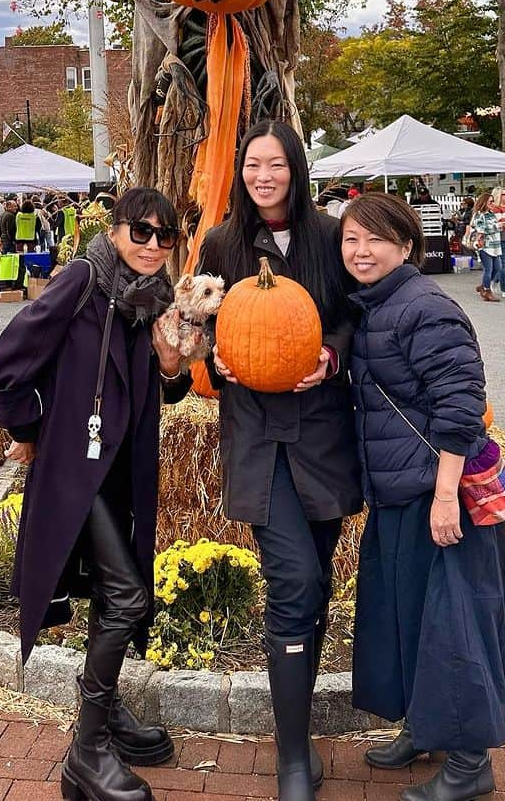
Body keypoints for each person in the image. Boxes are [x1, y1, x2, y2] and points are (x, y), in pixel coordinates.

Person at [340, 193, 505, 800]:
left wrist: (447, 496)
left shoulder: (424, 306)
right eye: (351, 238)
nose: (361, 250)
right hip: (400, 491)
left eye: (375, 239)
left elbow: (461, 406)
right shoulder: (375, 307)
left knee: (452, 626)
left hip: (437, 495)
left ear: (405, 246)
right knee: (406, 617)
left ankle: (469, 762)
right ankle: (424, 728)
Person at [0, 188, 189, 801]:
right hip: (79, 469)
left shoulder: (151, 298)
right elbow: (9, 366)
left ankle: (105, 716)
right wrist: (36, 431)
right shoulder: (84, 281)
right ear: (116, 228)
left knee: (113, 592)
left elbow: (167, 391)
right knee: (129, 599)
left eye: (165, 236)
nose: (153, 245)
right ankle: (87, 751)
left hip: (123, 469)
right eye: (141, 231)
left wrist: (170, 363)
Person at [201, 121, 361, 801]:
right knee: (292, 582)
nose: (262, 176)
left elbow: (357, 314)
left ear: (295, 169)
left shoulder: (330, 238)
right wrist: (211, 355)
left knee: (316, 579)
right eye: (252, 165)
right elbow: (208, 323)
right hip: (260, 437)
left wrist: (330, 355)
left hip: (323, 434)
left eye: (275, 165)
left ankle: (301, 740)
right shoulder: (223, 242)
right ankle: (293, 757)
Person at [464, 191, 505, 303]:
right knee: (489, 269)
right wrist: (497, 226)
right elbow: (482, 230)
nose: (492, 203)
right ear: (484, 202)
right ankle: (487, 291)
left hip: (495, 245)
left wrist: (501, 225)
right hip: (485, 246)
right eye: (490, 202)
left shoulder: (491, 213)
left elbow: (494, 227)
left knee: (497, 268)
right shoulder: (479, 215)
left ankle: (483, 285)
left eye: (493, 201)